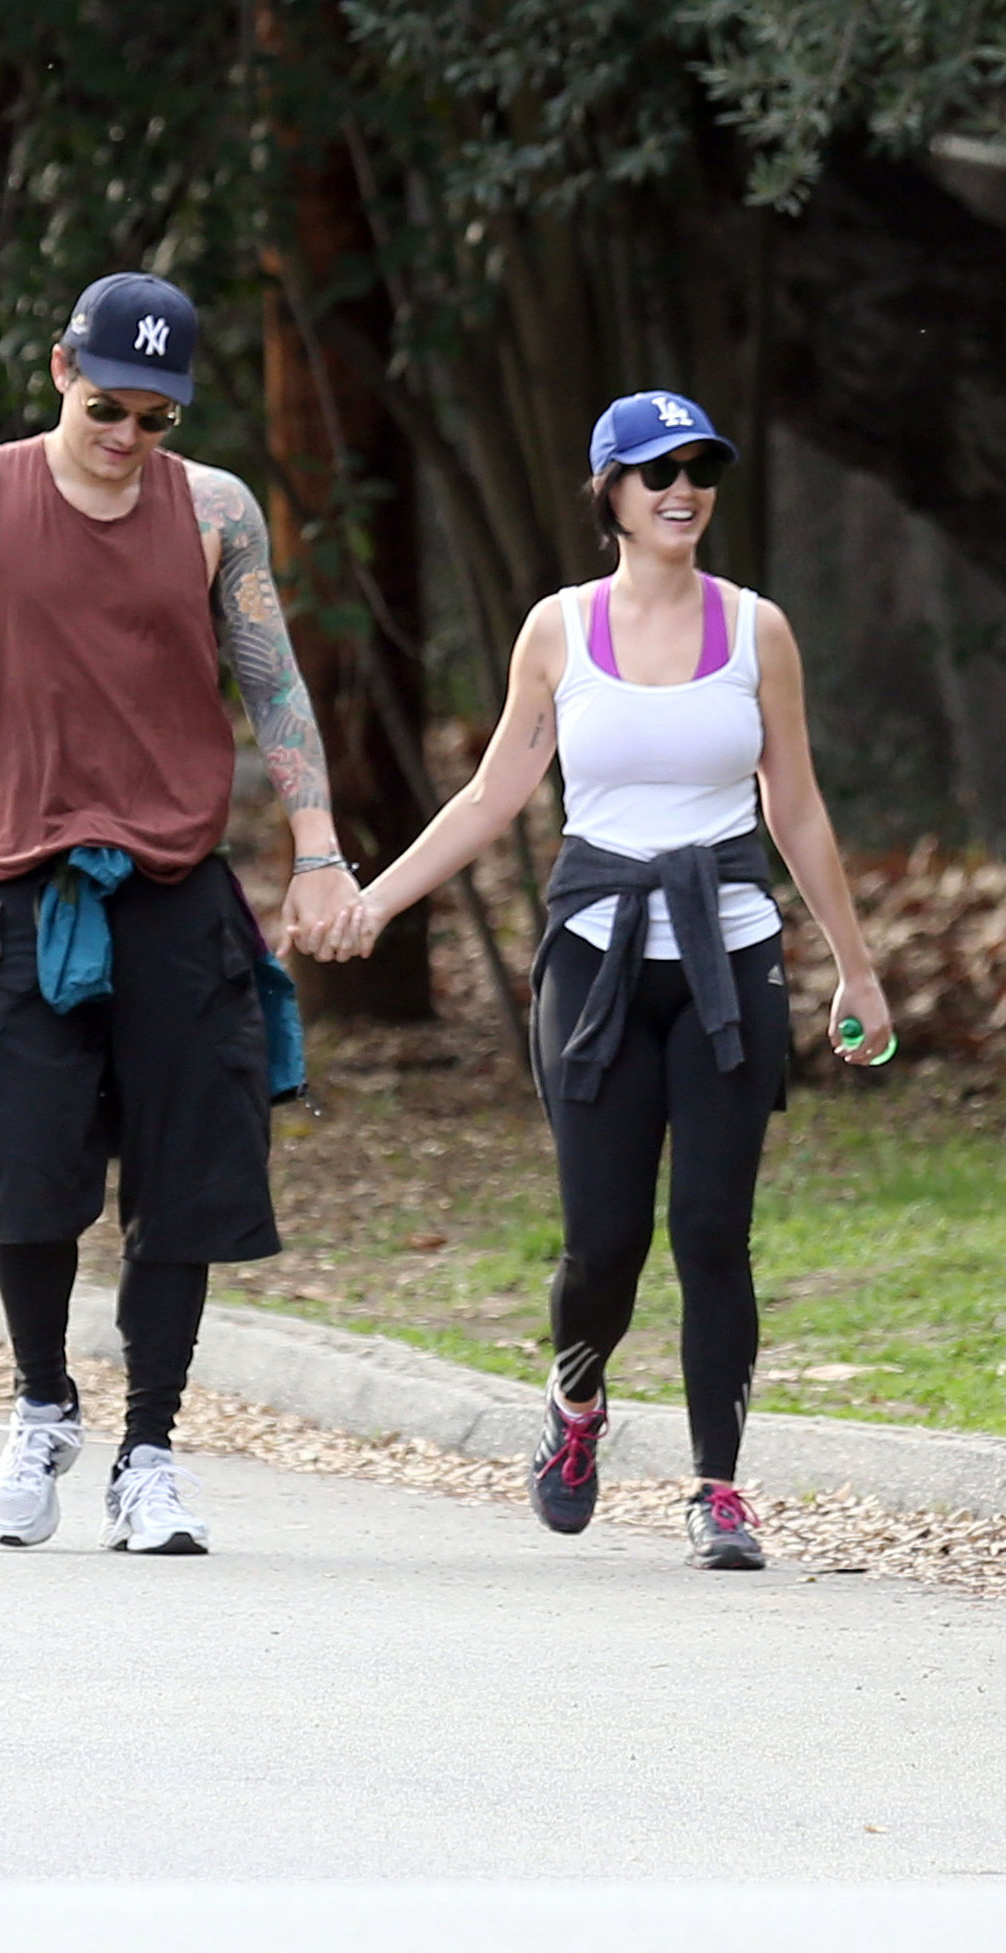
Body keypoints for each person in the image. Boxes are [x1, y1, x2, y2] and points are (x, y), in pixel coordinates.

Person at [319, 389, 893, 1571]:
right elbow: (492, 795)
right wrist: (377, 900)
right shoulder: (557, 630)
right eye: (653, 473)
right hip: (592, 966)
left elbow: (794, 806)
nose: (680, 489)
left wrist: (854, 967)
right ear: (609, 495)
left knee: (711, 1232)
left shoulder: (755, 629)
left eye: (696, 468)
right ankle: (575, 1408)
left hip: (727, 959)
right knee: (601, 1242)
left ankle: (717, 1490)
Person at [0, 272, 356, 1555]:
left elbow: (273, 685)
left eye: (156, 418)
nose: (128, 438)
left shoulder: (216, 511)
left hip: (175, 889)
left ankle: (150, 1452)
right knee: (19, 1169)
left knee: (183, 1183)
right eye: (109, 409)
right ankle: (40, 1406)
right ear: (63, 373)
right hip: (15, 885)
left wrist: (317, 852)